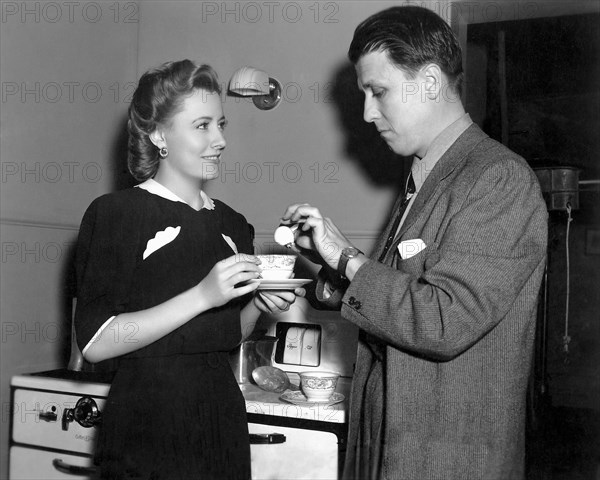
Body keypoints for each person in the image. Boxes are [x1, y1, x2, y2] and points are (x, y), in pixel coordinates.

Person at [282, 6, 548, 480]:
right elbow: (402, 300)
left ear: (428, 82)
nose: (366, 113)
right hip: (391, 445)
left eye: (378, 92)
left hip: (448, 459)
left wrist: (349, 258)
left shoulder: (498, 177)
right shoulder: (424, 178)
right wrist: (327, 262)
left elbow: (443, 320)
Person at [74, 59, 303, 479]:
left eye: (221, 124)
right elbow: (95, 342)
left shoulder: (232, 224)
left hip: (221, 423)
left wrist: (260, 304)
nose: (219, 140)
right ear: (159, 134)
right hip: (146, 427)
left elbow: (227, 335)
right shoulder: (118, 214)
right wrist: (202, 295)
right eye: (202, 126)